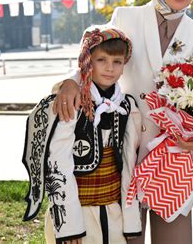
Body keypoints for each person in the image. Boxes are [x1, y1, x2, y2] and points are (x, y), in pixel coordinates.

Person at [52, 0, 193, 244]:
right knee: (127, 237)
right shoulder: (126, 16)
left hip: (172, 159)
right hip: (121, 151)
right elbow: (98, 56)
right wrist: (72, 80)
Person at [22, 27, 142, 244]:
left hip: (113, 209)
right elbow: (58, 163)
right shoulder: (73, 103)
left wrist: (129, 218)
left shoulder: (126, 106)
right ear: (87, 61)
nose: (109, 68)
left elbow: (128, 164)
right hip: (78, 211)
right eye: (101, 60)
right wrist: (70, 227)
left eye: (117, 62)